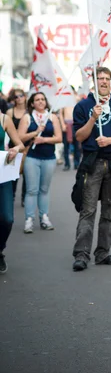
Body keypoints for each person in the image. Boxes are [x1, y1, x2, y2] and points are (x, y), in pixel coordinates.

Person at [72, 67, 111, 272]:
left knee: (109, 211)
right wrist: (93, 118)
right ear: (94, 82)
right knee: (88, 210)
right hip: (93, 163)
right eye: (100, 79)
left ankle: (103, 253)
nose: (104, 82)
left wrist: (110, 140)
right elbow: (79, 136)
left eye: (107, 78)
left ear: (110, 81)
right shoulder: (83, 106)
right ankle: (81, 255)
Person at [18, 93, 62, 234]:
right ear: (32, 103)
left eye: (43, 99)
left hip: (49, 158)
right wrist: (35, 133)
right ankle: (29, 220)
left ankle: (44, 217)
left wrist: (44, 140)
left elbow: (59, 138)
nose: (41, 102)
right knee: (31, 190)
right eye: (37, 100)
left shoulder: (52, 117)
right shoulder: (27, 117)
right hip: (32, 157)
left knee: (44, 189)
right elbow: (19, 137)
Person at [0, 112, 24, 274]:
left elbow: (20, 145)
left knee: (7, 218)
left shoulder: (4, 118)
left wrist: (14, 149)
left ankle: (0, 249)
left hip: (2, 172)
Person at [6, 89, 27, 202]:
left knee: (27, 174)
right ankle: (12, 195)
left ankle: (24, 197)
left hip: (27, 145)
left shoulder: (29, 112)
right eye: (16, 96)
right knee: (13, 174)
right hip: (13, 145)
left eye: (21, 96)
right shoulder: (10, 112)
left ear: (25, 97)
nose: (19, 98)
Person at [59, 91, 81, 171]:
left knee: (76, 146)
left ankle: (76, 163)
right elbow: (60, 113)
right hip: (66, 125)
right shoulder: (63, 101)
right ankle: (67, 164)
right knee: (66, 147)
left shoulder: (76, 99)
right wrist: (62, 125)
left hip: (75, 125)